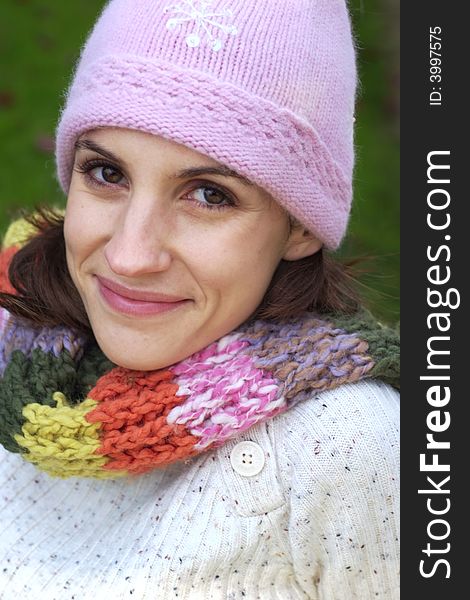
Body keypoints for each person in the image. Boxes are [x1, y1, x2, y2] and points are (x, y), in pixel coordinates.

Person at [0, 0, 399, 598]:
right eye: (107, 174)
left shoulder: (345, 450)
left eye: (209, 195)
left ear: (300, 227)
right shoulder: (11, 339)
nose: (131, 256)